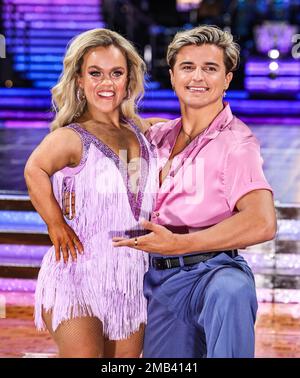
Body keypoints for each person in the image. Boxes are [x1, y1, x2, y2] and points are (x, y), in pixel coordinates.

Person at [113, 25, 277, 358]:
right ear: (173, 76)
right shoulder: (158, 137)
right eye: (188, 67)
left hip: (212, 273)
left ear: (227, 79)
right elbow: (99, 129)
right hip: (161, 281)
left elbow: (263, 222)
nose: (197, 77)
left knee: (231, 290)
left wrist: (180, 243)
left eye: (210, 68)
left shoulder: (237, 144)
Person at [24, 28, 160, 358]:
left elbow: (197, 129)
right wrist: (55, 222)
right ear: (80, 81)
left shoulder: (144, 131)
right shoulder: (72, 137)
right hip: (77, 272)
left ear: (129, 80)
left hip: (131, 279)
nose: (106, 83)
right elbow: (34, 169)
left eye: (116, 73)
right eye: (95, 73)